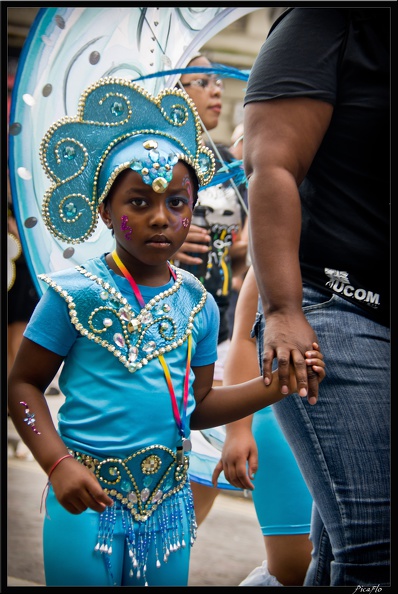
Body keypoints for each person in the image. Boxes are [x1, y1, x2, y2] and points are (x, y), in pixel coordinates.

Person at [7, 77, 325, 587]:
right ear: (106, 210)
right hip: (84, 495)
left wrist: (276, 385)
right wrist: (57, 463)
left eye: (177, 203)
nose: (160, 218)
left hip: (168, 509)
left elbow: (196, 406)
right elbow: (23, 386)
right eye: (138, 203)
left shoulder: (197, 303)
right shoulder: (73, 293)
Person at [243, 7, 390, 586]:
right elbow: (270, 162)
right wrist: (282, 311)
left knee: (334, 558)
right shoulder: (328, 20)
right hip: (336, 309)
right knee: (375, 554)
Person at [173, 55, 250, 523]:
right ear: (176, 89)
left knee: (205, 449)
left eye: (218, 81)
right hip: (168, 313)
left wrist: (245, 257)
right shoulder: (154, 154)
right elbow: (117, 226)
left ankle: (178, 546)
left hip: (219, 319)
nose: (216, 90)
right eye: (203, 81)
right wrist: (164, 249)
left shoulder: (221, 158)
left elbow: (234, 252)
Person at [213, 266, 313, 586]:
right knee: (294, 567)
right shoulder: (270, 260)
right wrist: (238, 430)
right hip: (282, 416)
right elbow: (243, 339)